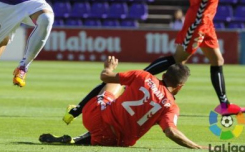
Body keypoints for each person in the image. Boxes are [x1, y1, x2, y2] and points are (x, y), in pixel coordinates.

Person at [142, 0, 245, 115]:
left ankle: (225, 106)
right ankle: (141, 78)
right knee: (178, 59)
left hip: (207, 22)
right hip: (199, 21)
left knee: (217, 60)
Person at [40, 56, 207, 149]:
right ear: (180, 87)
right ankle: (81, 139)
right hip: (117, 141)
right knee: (145, 117)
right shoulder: (171, 107)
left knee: (116, 83)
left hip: (95, 118)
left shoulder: (143, 76)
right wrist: (197, 147)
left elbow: (105, 77)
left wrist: (109, 68)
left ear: (163, 76)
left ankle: (75, 113)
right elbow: (171, 132)